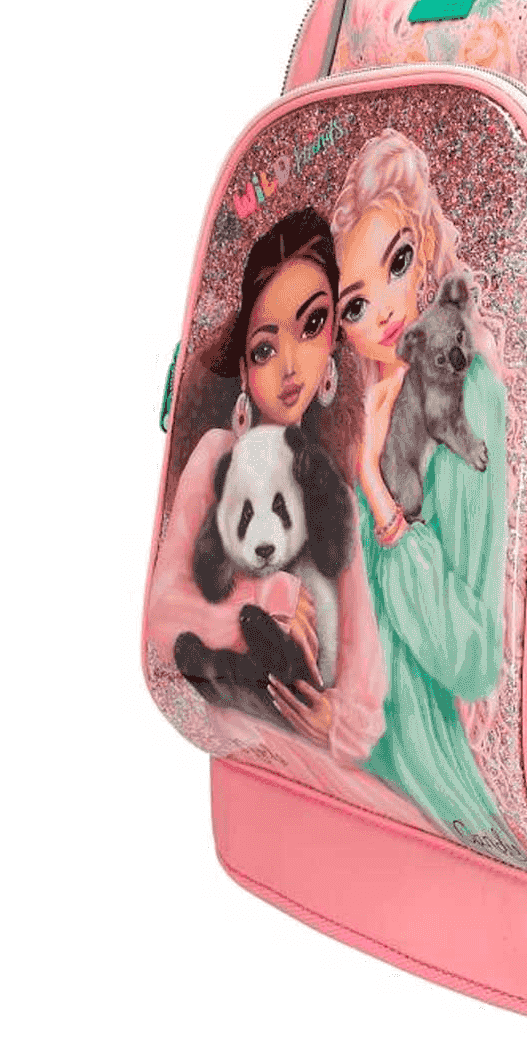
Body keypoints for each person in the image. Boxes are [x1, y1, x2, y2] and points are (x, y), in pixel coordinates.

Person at [145, 207, 418, 828]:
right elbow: (161, 616)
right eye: (265, 347)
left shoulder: (332, 489)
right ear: (243, 369)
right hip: (241, 734)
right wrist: (260, 606)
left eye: (312, 325)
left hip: (310, 759)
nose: (291, 366)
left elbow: (364, 681)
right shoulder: (218, 455)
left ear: (334, 343)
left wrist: (336, 720)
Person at [329, 134, 524, 860]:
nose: (384, 309)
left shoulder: (468, 396)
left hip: (422, 778)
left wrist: (377, 494)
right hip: (340, 752)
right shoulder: (353, 407)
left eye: (398, 262)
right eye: (355, 304)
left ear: (429, 248)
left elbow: (471, 660)